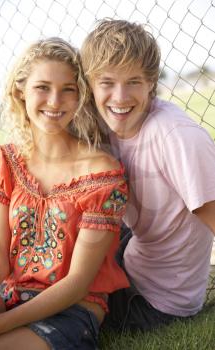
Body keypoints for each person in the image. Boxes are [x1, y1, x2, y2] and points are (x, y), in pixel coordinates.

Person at [0, 37, 129, 349]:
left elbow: (76, 284)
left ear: (80, 96)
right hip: (10, 294)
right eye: (42, 87)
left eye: (68, 89)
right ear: (20, 91)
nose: (55, 100)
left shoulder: (102, 174)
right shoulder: (5, 161)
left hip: (72, 308)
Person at [80, 18, 215, 332]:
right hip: (137, 254)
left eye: (134, 82)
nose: (121, 96)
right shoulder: (103, 125)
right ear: (89, 84)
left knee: (58, 299)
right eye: (107, 82)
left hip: (155, 300)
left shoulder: (176, 137)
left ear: (152, 83)